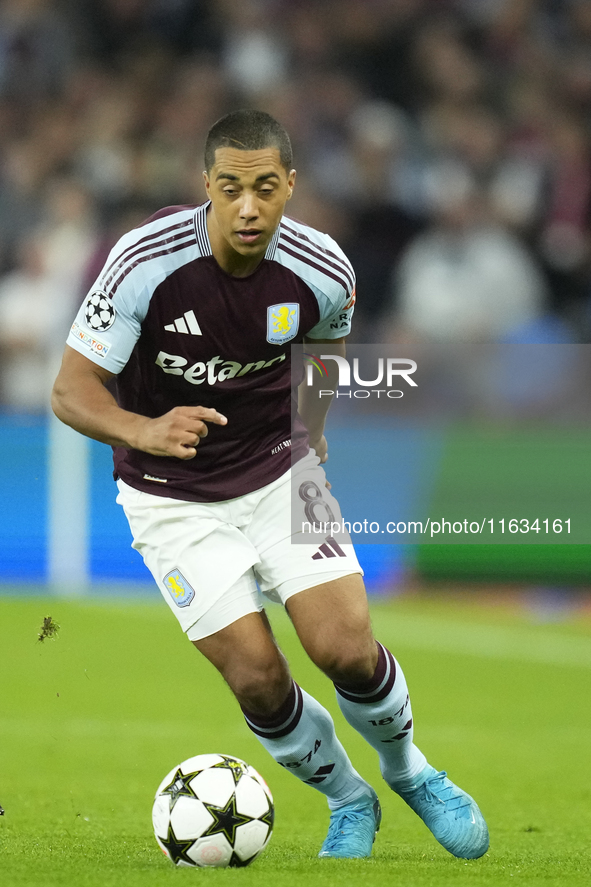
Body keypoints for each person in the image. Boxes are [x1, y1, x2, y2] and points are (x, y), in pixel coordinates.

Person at [51, 109, 489, 861]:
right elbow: (71, 389)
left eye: (263, 187)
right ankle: (350, 799)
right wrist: (142, 429)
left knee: (346, 647)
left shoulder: (323, 268)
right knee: (256, 677)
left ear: (289, 184)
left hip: (281, 470)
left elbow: (325, 346)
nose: (247, 207)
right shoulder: (143, 262)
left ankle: (410, 770)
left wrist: (310, 426)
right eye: (230, 189)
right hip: (167, 494)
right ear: (206, 188)